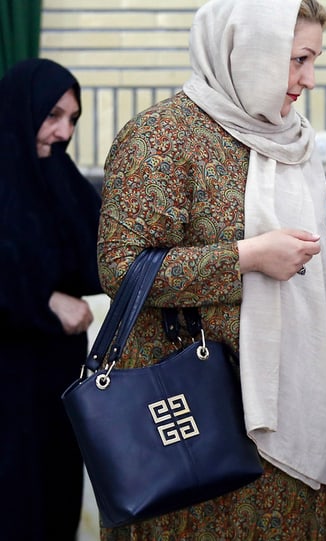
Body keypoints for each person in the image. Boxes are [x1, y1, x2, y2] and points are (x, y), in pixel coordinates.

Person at [97, 0, 326, 538]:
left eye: (314, 59)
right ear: (251, 52)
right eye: (297, 60)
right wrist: (248, 257)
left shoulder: (293, 141)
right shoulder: (162, 138)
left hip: (287, 411)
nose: (309, 79)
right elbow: (119, 268)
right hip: (195, 420)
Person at [0, 58, 102, 541]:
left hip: (56, 374)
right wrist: (44, 301)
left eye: (72, 119)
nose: (63, 132)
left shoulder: (59, 177)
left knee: (54, 496)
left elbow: (102, 255)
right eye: (52, 115)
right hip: (7, 377)